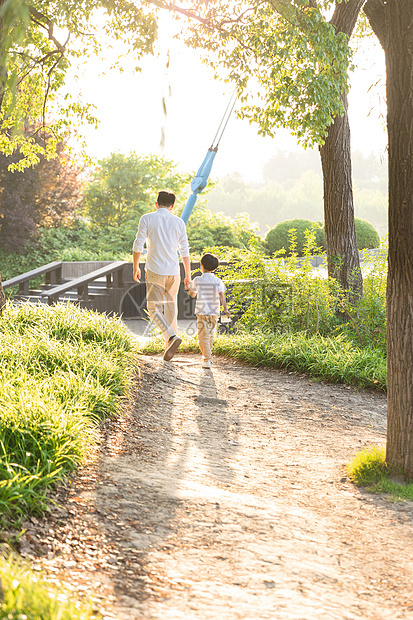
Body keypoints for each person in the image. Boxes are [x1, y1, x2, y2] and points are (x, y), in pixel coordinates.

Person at [132, 190, 191, 361]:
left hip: (155, 271)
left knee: (153, 309)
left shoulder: (147, 218)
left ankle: (171, 337)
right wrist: (188, 274)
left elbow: (138, 245)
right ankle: (169, 346)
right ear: (172, 206)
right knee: (171, 308)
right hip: (174, 271)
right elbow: (184, 250)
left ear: (156, 203)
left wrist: (136, 266)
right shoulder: (179, 222)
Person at [188, 253, 230, 369]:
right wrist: (225, 310)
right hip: (215, 312)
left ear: (201, 265)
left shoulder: (197, 280)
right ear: (215, 268)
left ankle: (207, 359)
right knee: (210, 335)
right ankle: (208, 357)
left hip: (202, 312)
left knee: (203, 337)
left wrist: (190, 287)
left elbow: (192, 295)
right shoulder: (217, 281)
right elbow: (222, 295)